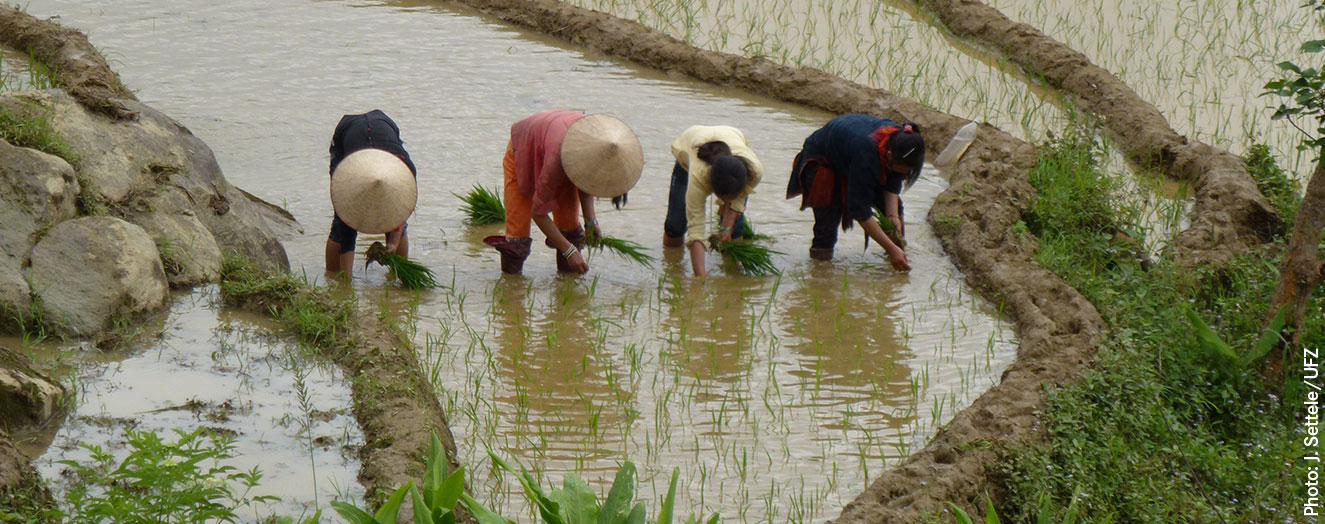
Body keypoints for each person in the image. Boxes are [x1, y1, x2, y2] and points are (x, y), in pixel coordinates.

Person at [485, 110, 643, 275]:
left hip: (557, 143)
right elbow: (538, 213)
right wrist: (569, 251)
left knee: (570, 232)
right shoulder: (555, 162)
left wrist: (591, 222)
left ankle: (567, 280)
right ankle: (512, 292)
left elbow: (585, 178)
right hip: (524, 149)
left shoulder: (602, 142)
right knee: (517, 241)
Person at [786, 114, 924, 271]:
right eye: (903, 170)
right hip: (824, 159)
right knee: (826, 228)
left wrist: (893, 216)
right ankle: (820, 273)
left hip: (853, 152)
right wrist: (892, 249)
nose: (905, 174)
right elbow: (860, 210)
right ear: (890, 156)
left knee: (895, 213)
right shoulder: (867, 155)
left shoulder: (905, 142)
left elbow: (894, 180)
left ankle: (898, 260)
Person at [325, 109, 418, 278]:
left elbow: (401, 210)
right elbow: (345, 224)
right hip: (347, 134)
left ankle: (398, 278)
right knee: (342, 224)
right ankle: (333, 278)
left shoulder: (405, 170)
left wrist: (394, 243)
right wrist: (345, 285)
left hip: (383, 124)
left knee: (395, 221)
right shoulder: (348, 177)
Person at [661, 125, 764, 276]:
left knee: (735, 231)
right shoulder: (698, 177)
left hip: (730, 135)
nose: (728, 202)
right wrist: (701, 279)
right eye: (724, 199)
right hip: (689, 149)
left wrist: (726, 228)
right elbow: (696, 231)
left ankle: (734, 274)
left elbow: (737, 203)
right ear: (712, 188)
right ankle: (671, 266)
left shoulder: (753, 171)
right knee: (675, 226)